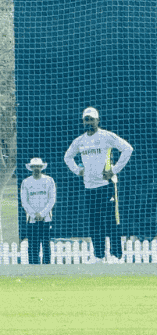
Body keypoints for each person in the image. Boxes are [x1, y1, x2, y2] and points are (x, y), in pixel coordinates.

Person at [64, 107, 133, 263]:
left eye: (92, 119)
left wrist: (114, 170)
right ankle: (99, 256)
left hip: (106, 185)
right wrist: (77, 170)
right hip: (89, 188)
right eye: (86, 119)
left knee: (110, 221)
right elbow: (67, 157)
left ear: (97, 120)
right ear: (83, 122)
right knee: (94, 223)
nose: (89, 122)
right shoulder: (80, 141)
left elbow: (127, 149)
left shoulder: (106, 136)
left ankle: (116, 256)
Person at [21, 158, 56, 265]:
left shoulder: (49, 180)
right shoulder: (26, 182)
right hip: (32, 219)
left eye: (38, 166)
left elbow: (52, 199)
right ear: (31, 168)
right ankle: (33, 267)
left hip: (46, 219)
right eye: (34, 166)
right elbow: (24, 201)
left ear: (42, 167)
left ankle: (47, 267)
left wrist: (42, 214)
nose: (36, 168)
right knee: (33, 245)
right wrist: (33, 214)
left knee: (46, 244)